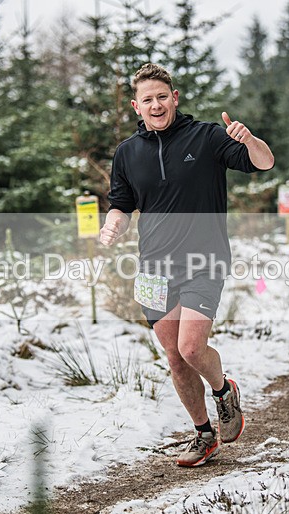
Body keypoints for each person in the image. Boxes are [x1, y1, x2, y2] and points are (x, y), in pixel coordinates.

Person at [99, 63, 274, 467]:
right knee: (175, 357)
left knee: (191, 347)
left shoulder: (207, 136)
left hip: (204, 260)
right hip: (153, 268)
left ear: (174, 98)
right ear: (136, 106)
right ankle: (203, 435)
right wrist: (114, 224)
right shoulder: (127, 153)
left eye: (162, 96)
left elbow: (263, 163)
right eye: (147, 100)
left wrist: (250, 140)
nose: (156, 105)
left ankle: (223, 390)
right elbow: (121, 204)